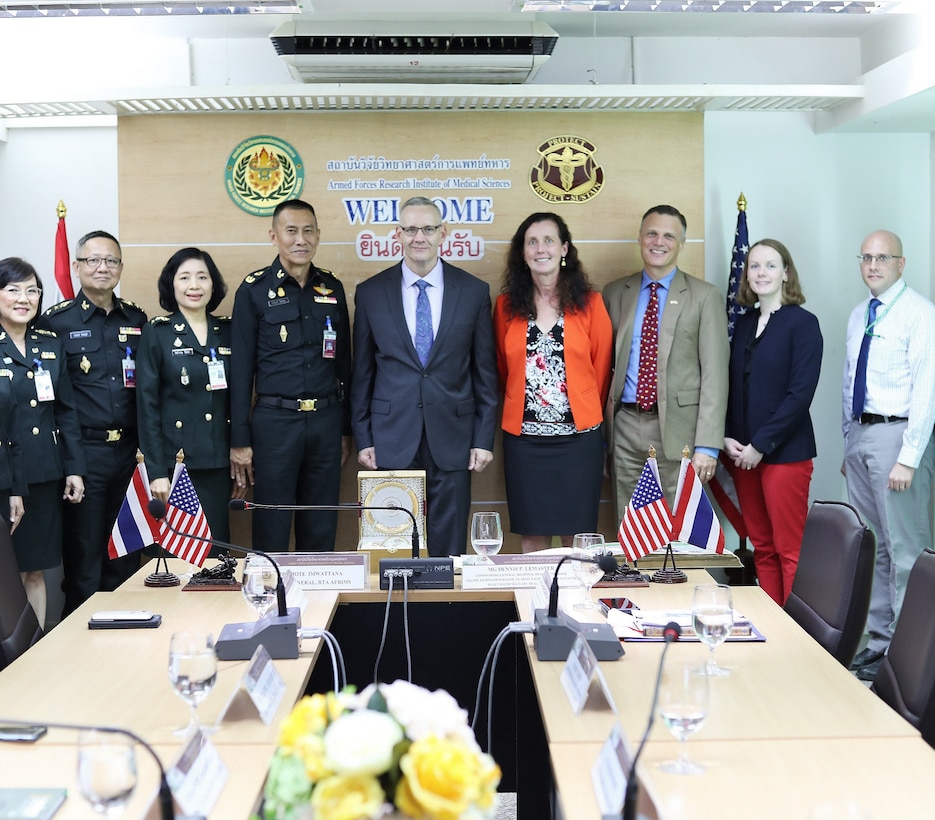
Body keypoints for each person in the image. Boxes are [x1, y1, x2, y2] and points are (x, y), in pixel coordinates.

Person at [351, 196, 498, 557]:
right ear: (397, 234)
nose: (420, 237)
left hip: (454, 436)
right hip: (391, 437)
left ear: (443, 233)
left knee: (449, 550)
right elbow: (362, 373)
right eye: (412, 229)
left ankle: (446, 611)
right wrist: (363, 437)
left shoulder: (473, 291)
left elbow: (485, 373)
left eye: (429, 228)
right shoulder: (370, 293)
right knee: (395, 546)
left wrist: (482, 438)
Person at [230, 199, 351, 551]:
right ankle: (271, 603)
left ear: (318, 235)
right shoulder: (253, 290)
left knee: (321, 522)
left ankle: (320, 605)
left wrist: (345, 429)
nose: (301, 239)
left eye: (308, 231)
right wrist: (240, 441)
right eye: (292, 231)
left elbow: (344, 364)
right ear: (274, 236)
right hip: (275, 423)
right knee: (272, 523)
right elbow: (240, 372)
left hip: (326, 421)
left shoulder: (332, 288)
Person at [37, 231, 147, 615]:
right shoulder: (56, 322)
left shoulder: (136, 318)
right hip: (84, 455)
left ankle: (124, 641)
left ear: (120, 267)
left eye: (111, 261)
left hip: (130, 455)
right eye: (93, 260)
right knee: (84, 561)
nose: (103, 267)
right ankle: (80, 652)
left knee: (126, 556)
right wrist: (72, 464)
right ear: (77, 266)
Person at [842, 230, 935, 682]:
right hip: (862, 438)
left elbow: (927, 390)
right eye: (867, 257)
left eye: (883, 257)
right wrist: (848, 442)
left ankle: (909, 660)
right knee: (874, 549)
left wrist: (909, 456)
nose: (873, 265)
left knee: (906, 552)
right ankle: (878, 647)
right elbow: (848, 383)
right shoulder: (861, 314)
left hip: (898, 437)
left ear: (901, 263)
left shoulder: (920, 314)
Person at [493, 212, 612, 553]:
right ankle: (535, 608)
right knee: (532, 535)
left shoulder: (591, 304)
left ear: (564, 249)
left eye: (548, 240)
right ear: (523, 252)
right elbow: (503, 369)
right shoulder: (505, 307)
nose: (540, 248)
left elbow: (600, 370)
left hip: (578, 442)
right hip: (525, 443)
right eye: (532, 242)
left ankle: (574, 607)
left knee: (577, 536)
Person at [603, 205, 728, 513]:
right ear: (640, 238)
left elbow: (715, 375)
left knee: (676, 530)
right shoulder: (616, 292)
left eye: (669, 236)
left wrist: (708, 446)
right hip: (625, 427)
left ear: (682, 243)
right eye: (652, 233)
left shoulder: (704, 296)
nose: (659, 242)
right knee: (629, 526)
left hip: (679, 430)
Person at [723, 239, 822, 605]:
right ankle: (772, 627)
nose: (761, 273)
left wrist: (760, 445)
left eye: (770, 265)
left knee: (787, 548)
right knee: (761, 547)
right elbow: (735, 387)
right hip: (742, 455)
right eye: (754, 266)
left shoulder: (803, 323)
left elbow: (800, 395)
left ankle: (796, 639)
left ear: (786, 273)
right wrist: (727, 437)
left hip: (783, 454)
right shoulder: (745, 324)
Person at [0, 258, 85, 629]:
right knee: (7, 577)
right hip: (4, 477)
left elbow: (66, 411)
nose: (24, 298)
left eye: (32, 290)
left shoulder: (49, 342)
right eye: (14, 289)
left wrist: (75, 468)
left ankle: (33, 653)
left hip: (44, 473)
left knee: (35, 571)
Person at [137, 248, 238, 543]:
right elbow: (147, 407)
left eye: (202, 277)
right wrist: (156, 471)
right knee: (176, 559)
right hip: (175, 465)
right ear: (172, 284)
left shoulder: (228, 331)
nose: (194, 285)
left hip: (218, 463)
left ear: (213, 284)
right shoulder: (158, 332)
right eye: (185, 277)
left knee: (215, 558)